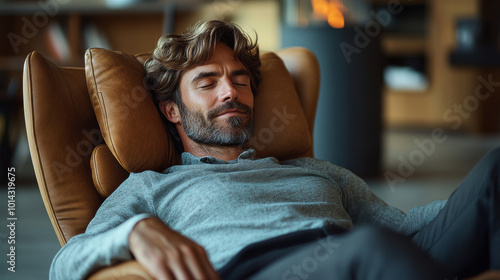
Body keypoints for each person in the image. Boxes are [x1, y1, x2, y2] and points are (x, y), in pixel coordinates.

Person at [50, 20, 499, 280]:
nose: (230, 91)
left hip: (366, 256)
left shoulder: (314, 171)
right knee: (371, 246)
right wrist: (133, 232)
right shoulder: (153, 186)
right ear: (171, 111)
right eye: (207, 82)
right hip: (270, 270)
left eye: (240, 80)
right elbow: (64, 264)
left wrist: (476, 203)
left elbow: (407, 227)